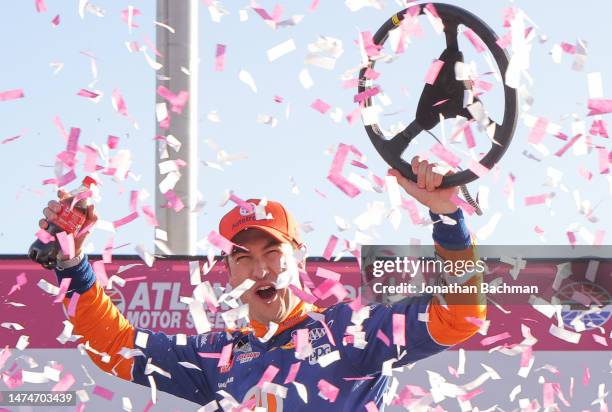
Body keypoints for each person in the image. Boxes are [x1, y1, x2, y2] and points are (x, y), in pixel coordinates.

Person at [37, 158, 486, 411]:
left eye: (273, 253)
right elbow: (113, 347)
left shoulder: (352, 331)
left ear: (299, 259)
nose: (261, 269)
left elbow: (462, 316)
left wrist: (449, 222)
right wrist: (73, 264)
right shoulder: (216, 355)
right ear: (227, 272)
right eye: (244, 257)